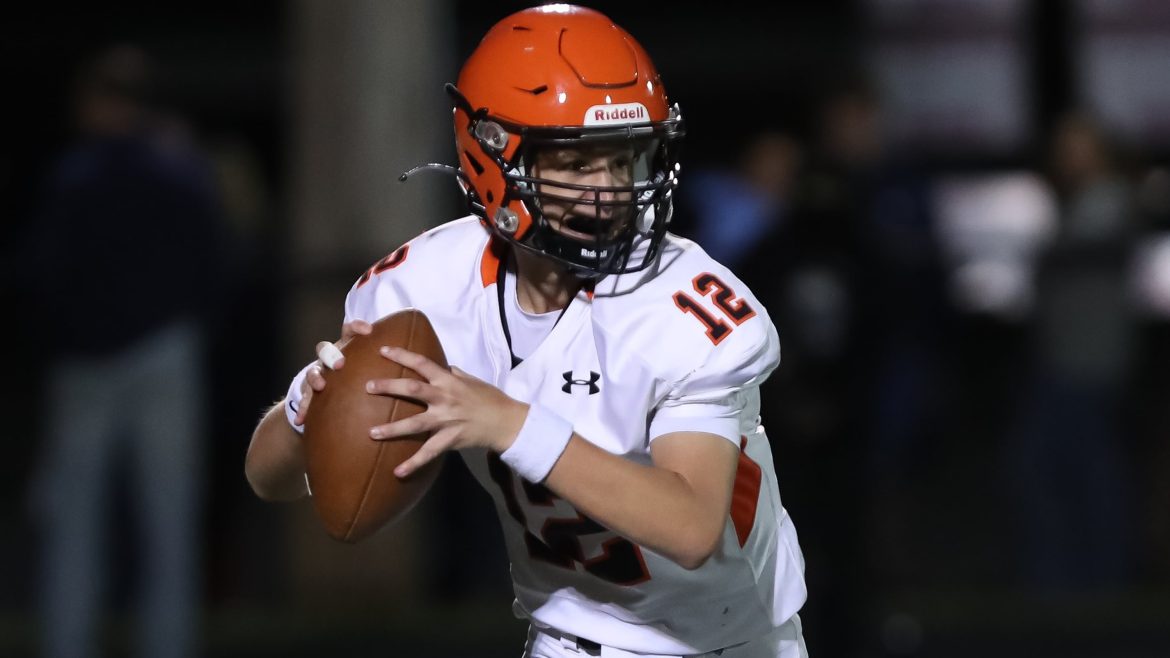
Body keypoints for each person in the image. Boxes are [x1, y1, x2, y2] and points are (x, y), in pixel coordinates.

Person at [246, 6, 808, 657]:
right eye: (577, 164)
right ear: (491, 156)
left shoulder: (686, 306)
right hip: (567, 634)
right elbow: (272, 480)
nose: (610, 191)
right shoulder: (423, 289)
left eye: (624, 160)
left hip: (731, 641)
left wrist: (508, 422)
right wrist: (305, 407)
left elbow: (689, 526)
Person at [19, 44, 224, 658]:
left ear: (104, 102)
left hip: (89, 365)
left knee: (76, 528)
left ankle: (68, 644)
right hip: (164, 354)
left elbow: (41, 272)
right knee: (166, 527)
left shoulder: (74, 174)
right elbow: (217, 259)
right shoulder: (180, 167)